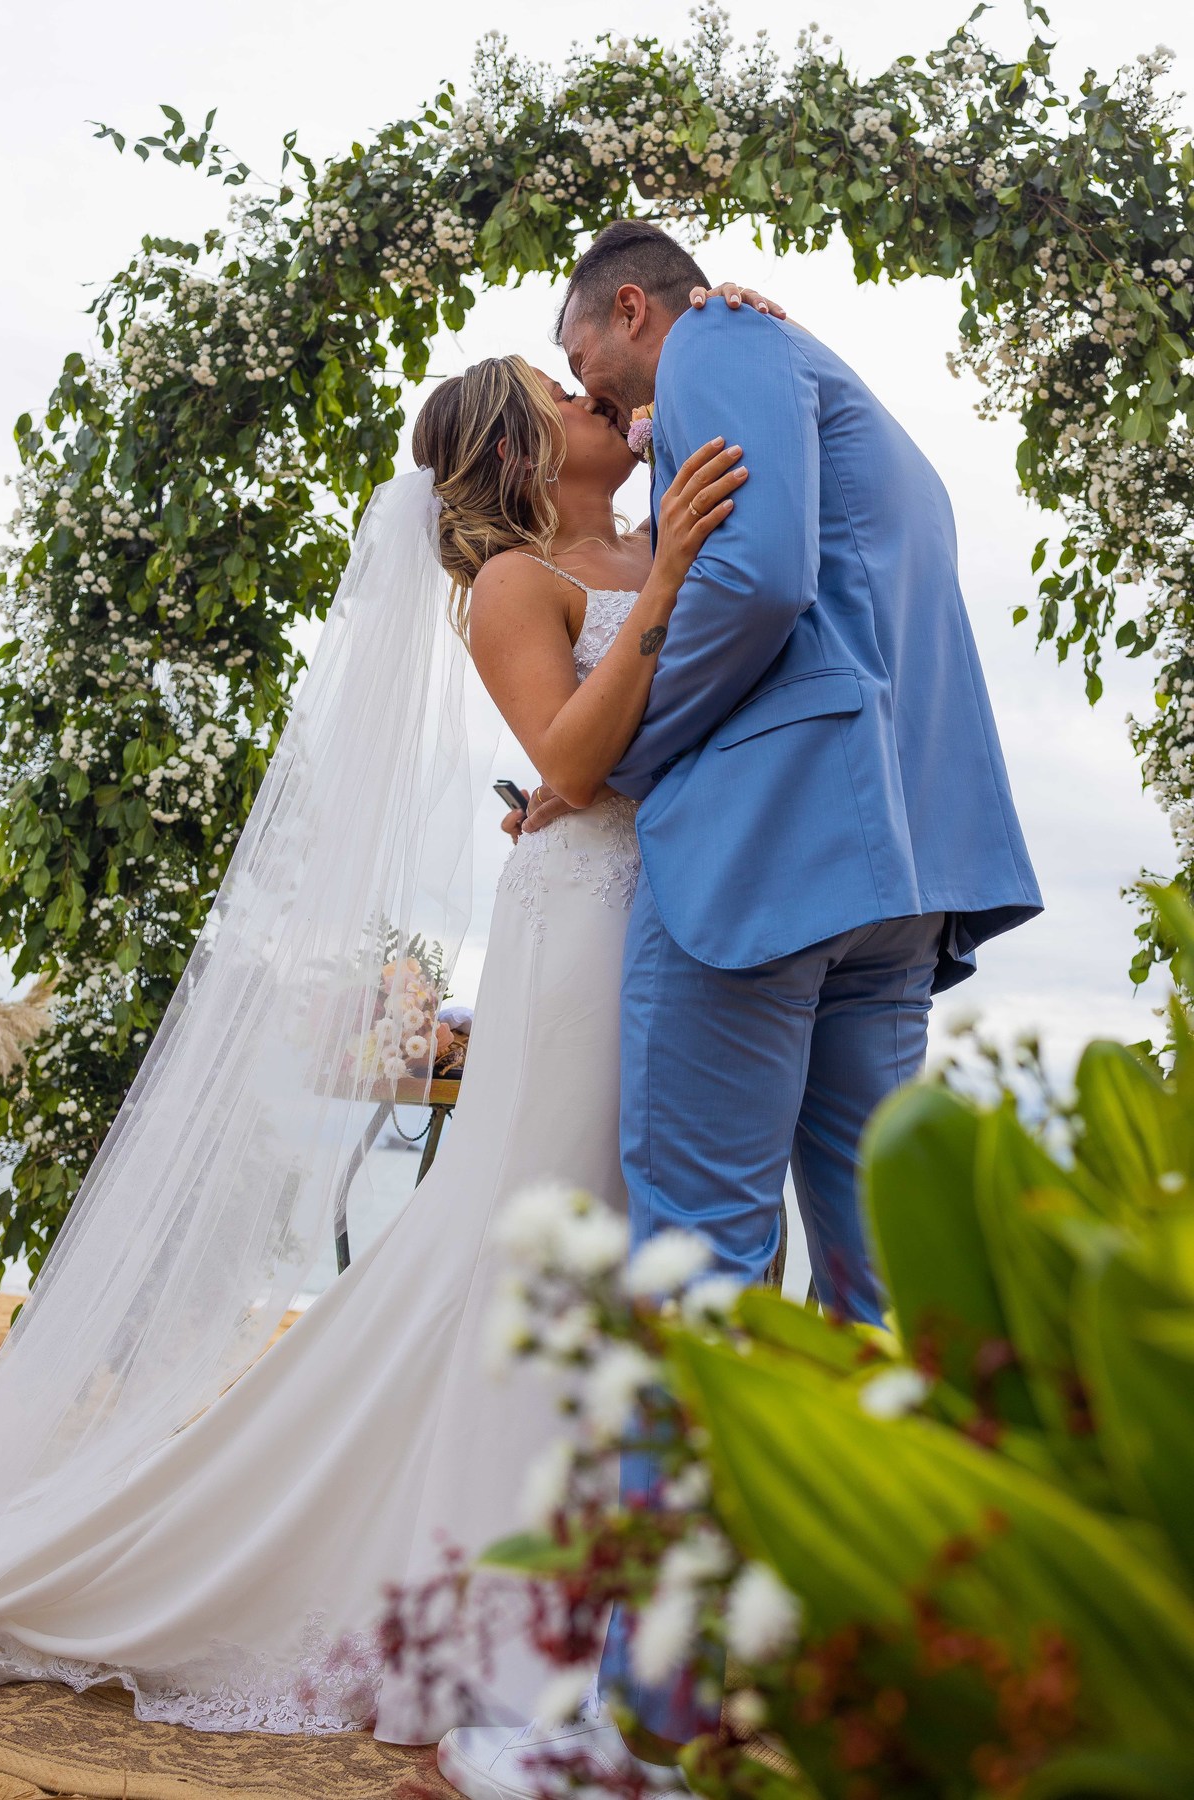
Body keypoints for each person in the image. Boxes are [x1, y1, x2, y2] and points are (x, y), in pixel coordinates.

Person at [0, 289, 764, 1744]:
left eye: (582, 371)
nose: (585, 390)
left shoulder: (667, 515)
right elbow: (576, 769)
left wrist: (738, 336)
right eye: (554, 389)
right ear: (517, 456)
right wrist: (658, 605)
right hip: (587, 921)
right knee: (550, 1234)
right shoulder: (517, 586)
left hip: (693, 915)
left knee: (650, 1234)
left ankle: (627, 1596)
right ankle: (508, 1614)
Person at [437, 220, 1042, 1798]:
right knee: (865, 1280)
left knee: (692, 1279)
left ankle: (640, 1731)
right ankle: (901, 1690)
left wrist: (609, 765)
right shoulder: (842, 396)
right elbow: (843, 589)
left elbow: (758, 586)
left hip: (763, 864)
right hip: (899, 865)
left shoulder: (716, 348)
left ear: (634, 311)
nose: (615, 408)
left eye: (593, 365)